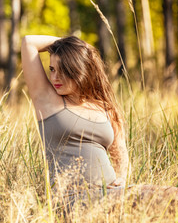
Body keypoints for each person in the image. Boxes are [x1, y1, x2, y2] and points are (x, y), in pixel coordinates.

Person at [20, 35, 130, 197]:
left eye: (63, 70)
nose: (55, 77)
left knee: (171, 194)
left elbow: (120, 151)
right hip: (73, 197)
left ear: (79, 68)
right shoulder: (48, 101)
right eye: (52, 69)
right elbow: (29, 42)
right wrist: (75, 46)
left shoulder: (104, 107)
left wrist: (121, 177)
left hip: (112, 193)